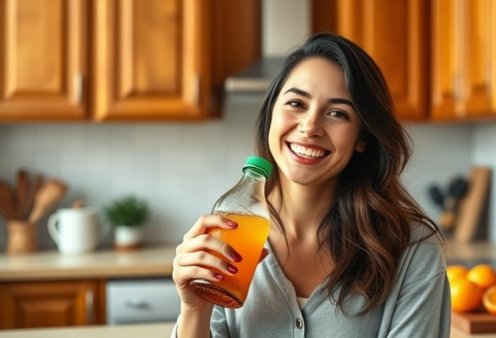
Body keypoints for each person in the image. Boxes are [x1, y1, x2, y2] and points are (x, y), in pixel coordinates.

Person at [172, 33, 450, 338]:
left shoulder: (413, 248)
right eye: (296, 103)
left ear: (362, 138)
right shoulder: (231, 230)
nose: (310, 126)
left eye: (337, 113)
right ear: (271, 115)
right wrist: (194, 311)